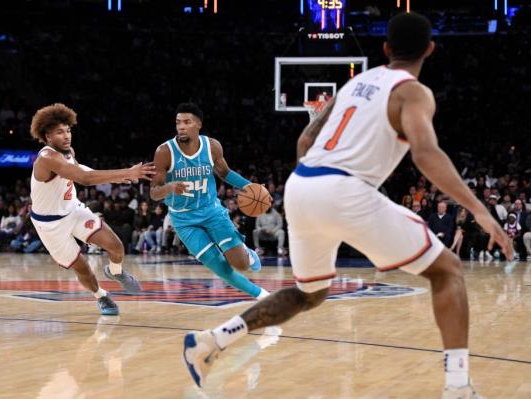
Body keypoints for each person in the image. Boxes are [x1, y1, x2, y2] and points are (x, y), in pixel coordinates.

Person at [182, 13, 513, 398]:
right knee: (448, 271)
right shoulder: (413, 92)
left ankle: (211, 341)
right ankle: (458, 387)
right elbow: (425, 153)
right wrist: (479, 209)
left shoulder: (356, 83)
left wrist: (317, 185)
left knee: (311, 294)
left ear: (385, 49)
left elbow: (305, 140)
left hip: (303, 186)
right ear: (430, 49)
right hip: (344, 189)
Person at [29, 103, 155, 315]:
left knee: (116, 246)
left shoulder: (68, 151)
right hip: (49, 224)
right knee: (83, 268)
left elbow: (80, 169)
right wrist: (128, 172)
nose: (66, 135)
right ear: (48, 137)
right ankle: (101, 296)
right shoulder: (47, 158)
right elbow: (84, 178)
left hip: (73, 210)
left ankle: (115, 271)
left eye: (68, 130)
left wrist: (119, 177)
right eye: (59, 132)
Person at [150, 103, 269, 299]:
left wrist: (253, 188)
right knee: (220, 267)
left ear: (198, 124)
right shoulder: (164, 151)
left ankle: (246, 253)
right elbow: (154, 193)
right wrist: (169, 188)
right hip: (184, 220)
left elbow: (225, 173)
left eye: (187, 122)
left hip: (212, 212)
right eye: (178, 122)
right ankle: (263, 296)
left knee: (241, 264)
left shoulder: (212, 146)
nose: (181, 126)